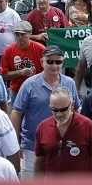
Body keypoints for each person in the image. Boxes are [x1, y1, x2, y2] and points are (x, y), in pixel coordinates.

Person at [11, 45, 81, 177]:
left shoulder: (69, 83)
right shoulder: (29, 84)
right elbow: (16, 113)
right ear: (42, 62)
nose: (54, 65)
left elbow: (76, 110)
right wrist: (16, 142)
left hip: (63, 146)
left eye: (58, 62)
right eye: (50, 61)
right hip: (32, 146)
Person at [33, 87, 92, 176]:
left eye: (63, 110)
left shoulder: (88, 126)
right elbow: (39, 161)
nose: (59, 114)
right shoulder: (43, 127)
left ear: (72, 105)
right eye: (54, 109)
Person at [0, 21, 45, 106]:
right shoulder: (8, 51)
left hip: (38, 90)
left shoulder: (40, 49)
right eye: (17, 35)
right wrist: (20, 72)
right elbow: (4, 74)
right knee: (16, 118)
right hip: (17, 91)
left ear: (30, 33)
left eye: (23, 34)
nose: (20, 37)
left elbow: (49, 71)